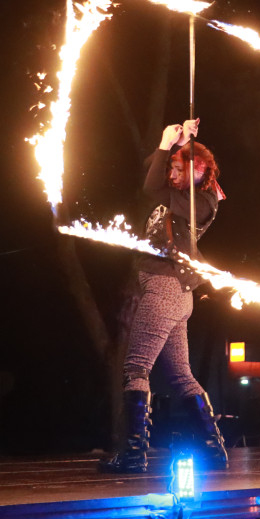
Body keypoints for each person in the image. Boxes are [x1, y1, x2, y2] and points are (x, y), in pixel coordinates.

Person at [102, 118, 229, 474]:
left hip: (165, 287)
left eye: (178, 168)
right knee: (180, 376)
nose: (171, 173)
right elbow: (151, 170)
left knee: (136, 368)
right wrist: (175, 142)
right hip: (171, 291)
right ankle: (215, 451)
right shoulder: (178, 189)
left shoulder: (200, 202)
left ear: (196, 171)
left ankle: (132, 455)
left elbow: (151, 188)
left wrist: (166, 145)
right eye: (171, 167)